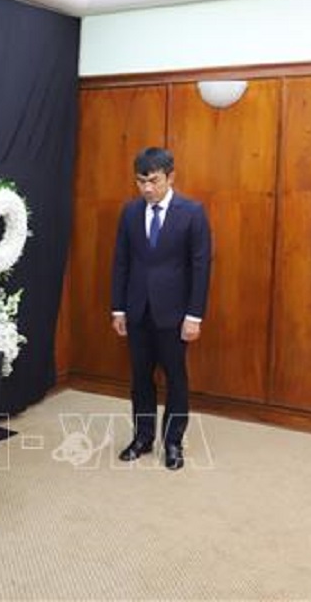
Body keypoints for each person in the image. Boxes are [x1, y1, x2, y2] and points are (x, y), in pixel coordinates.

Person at [111, 146, 212, 471]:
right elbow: (121, 262)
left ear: (170, 177)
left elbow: (201, 267)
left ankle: (172, 442)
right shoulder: (130, 212)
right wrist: (118, 309)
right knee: (140, 378)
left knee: (175, 379)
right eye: (140, 181)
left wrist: (194, 316)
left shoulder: (192, 212)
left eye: (153, 181)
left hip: (175, 314)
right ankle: (142, 438)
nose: (146, 188)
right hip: (137, 310)